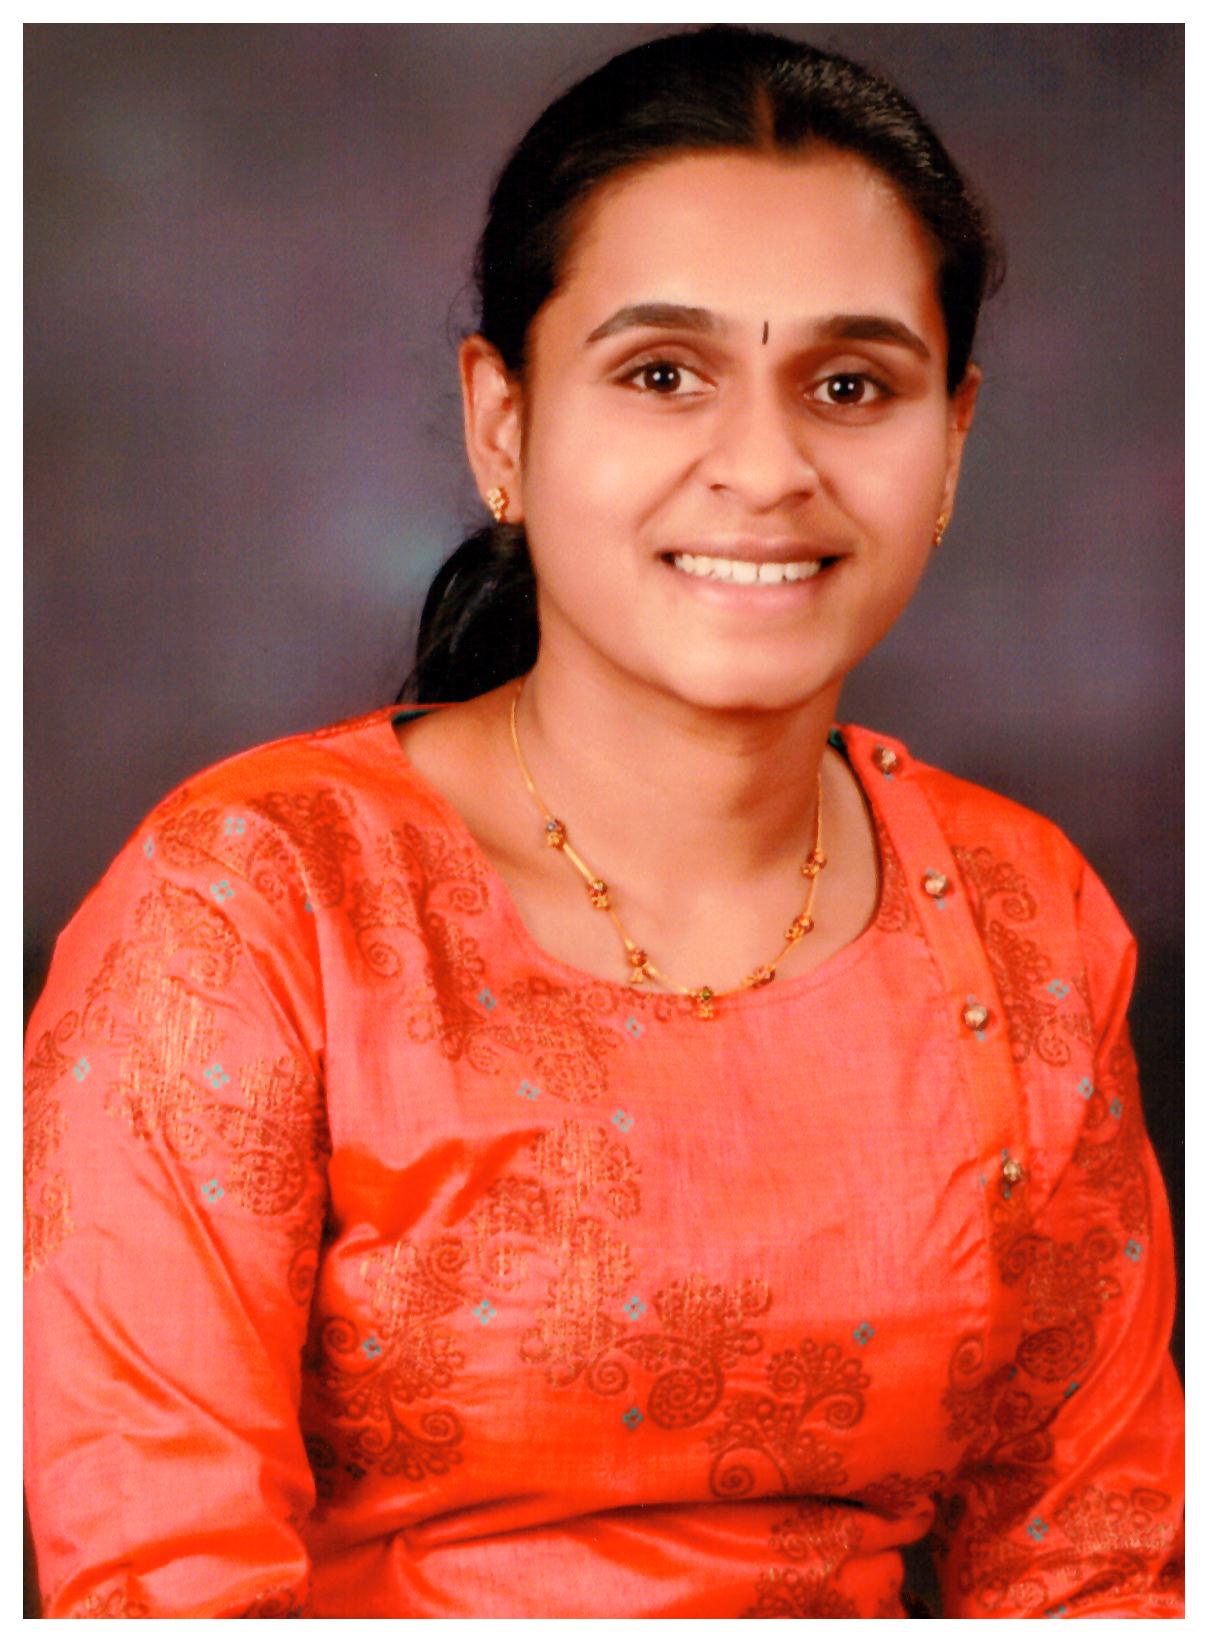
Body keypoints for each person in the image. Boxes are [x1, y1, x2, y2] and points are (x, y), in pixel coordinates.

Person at [23, 25, 1182, 1619]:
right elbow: (160, 1586)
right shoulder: (256, 905)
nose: (766, 468)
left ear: (953, 443)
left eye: (851, 385)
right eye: (661, 375)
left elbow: (1094, 1563)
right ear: (502, 424)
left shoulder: (1019, 911)